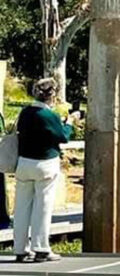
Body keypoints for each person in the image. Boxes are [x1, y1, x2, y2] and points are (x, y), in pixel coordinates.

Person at [13, 78, 73, 263]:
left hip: (23, 163)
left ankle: (20, 249)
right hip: (45, 164)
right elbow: (63, 137)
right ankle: (41, 248)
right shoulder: (49, 115)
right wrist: (69, 122)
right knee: (43, 207)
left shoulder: (25, 112)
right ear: (52, 95)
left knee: (22, 208)